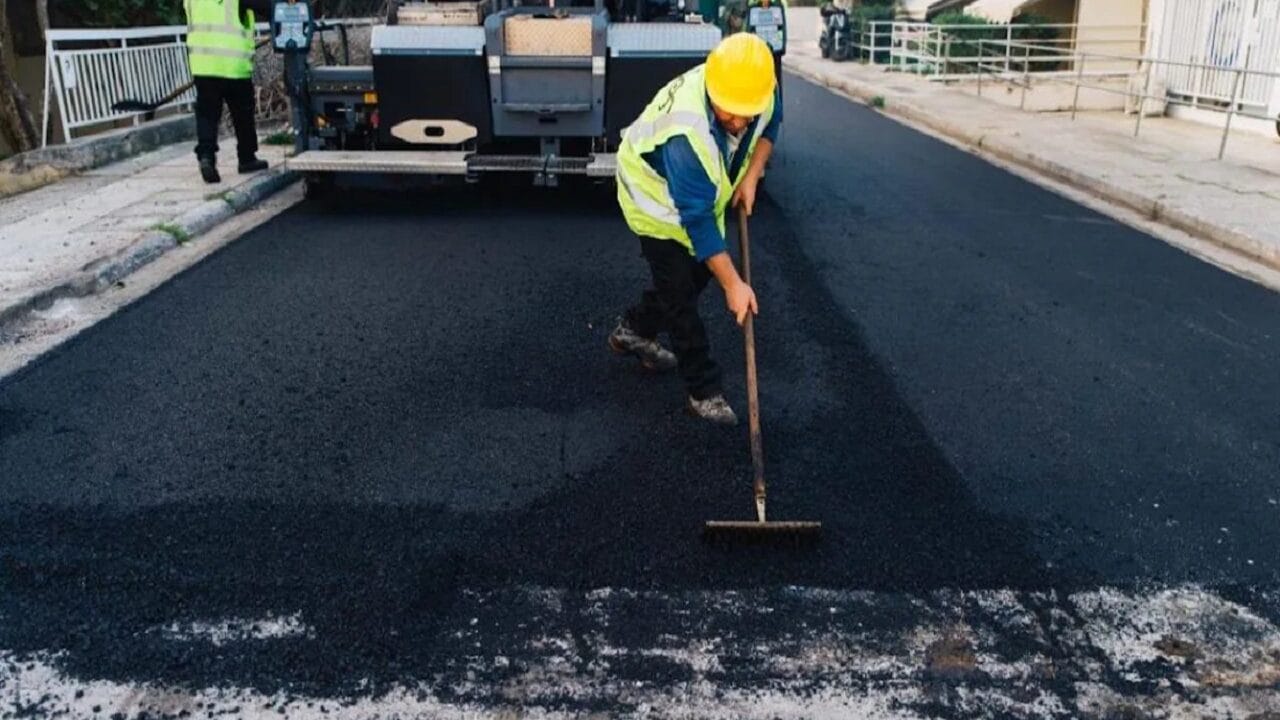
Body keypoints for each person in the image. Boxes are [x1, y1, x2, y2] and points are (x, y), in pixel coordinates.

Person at [609, 33, 781, 426]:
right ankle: (703, 391)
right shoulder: (687, 139)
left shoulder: (754, 88)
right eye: (730, 112)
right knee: (680, 295)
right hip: (655, 201)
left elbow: (772, 122)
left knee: (697, 275)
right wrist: (735, 285)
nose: (739, 122)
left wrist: (752, 174)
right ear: (713, 91)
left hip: (700, 200)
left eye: (746, 113)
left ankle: (634, 330)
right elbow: (700, 225)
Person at [184, 0, 273, 184]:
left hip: (203, 65)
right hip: (234, 65)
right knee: (242, 115)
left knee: (207, 115)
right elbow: (269, 7)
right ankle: (247, 158)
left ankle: (207, 156)